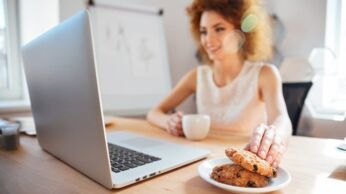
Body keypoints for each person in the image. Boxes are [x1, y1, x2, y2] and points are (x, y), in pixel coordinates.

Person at [147, 0, 292, 168]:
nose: (208, 39)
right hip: (204, 165)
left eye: (219, 29)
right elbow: (154, 112)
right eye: (203, 31)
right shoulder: (197, 76)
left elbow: (282, 119)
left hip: (244, 165)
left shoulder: (265, 74)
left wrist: (275, 135)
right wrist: (168, 122)